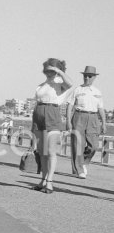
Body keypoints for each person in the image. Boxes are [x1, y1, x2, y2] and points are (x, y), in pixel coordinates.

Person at [31, 58, 73, 194]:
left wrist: (58, 71)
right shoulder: (42, 84)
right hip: (38, 114)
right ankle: (43, 180)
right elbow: (37, 101)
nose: (48, 73)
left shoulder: (59, 83)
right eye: (47, 70)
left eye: (51, 70)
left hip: (52, 112)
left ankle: (50, 181)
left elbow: (70, 84)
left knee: (51, 151)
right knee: (42, 151)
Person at [66, 66, 107, 179]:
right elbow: (69, 106)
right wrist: (68, 121)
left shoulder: (97, 92)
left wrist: (103, 123)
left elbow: (101, 108)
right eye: (85, 76)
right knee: (77, 144)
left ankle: (83, 162)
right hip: (79, 116)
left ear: (94, 77)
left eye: (89, 76)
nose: (87, 78)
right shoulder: (77, 90)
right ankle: (79, 170)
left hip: (93, 118)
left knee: (94, 145)